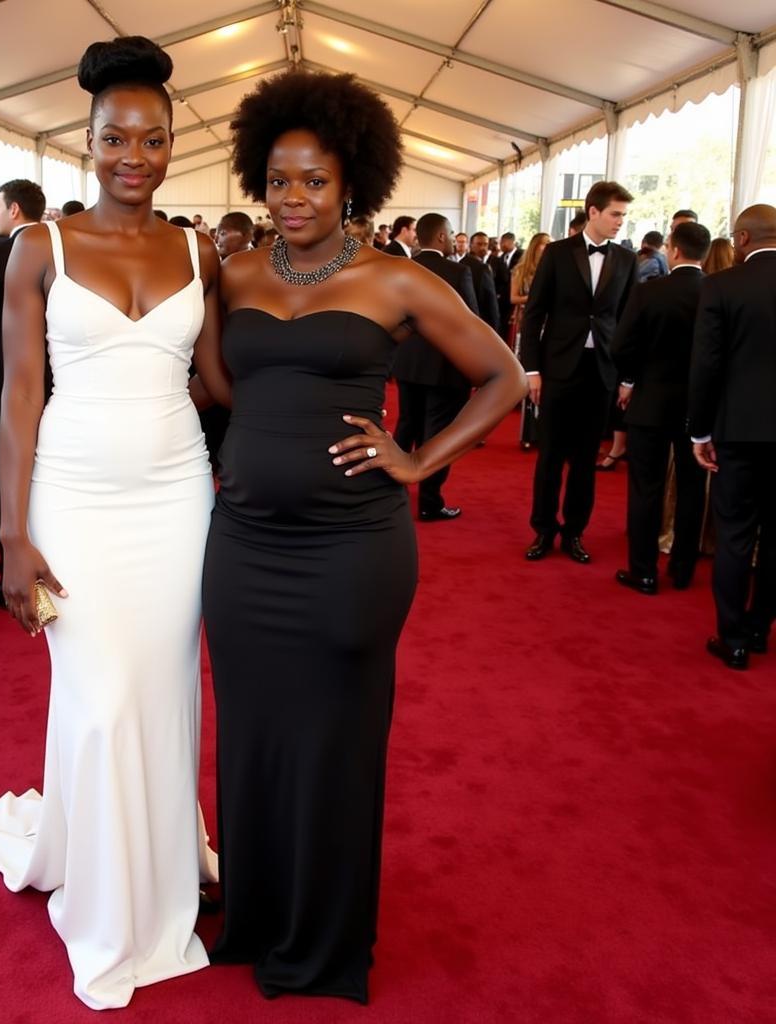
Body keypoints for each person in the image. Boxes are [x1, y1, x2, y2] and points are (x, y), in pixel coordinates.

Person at [203, 69, 526, 1003]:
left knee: (335, 743)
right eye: (276, 180)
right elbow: (223, 388)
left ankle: (325, 938)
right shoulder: (236, 273)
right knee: (254, 737)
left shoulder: (397, 277)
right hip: (245, 546)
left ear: (353, 186)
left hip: (352, 551)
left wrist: (421, 460)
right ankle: (258, 916)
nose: (293, 198)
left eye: (313, 181)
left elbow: (504, 377)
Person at [0, 37, 230, 1011]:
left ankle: (154, 860)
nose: (135, 155)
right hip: (71, 499)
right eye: (116, 136)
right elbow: (17, 399)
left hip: (177, 499)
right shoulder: (43, 247)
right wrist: (14, 537)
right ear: (88, 138)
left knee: (160, 695)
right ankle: (112, 905)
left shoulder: (201, 249)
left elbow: (222, 382)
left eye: (153, 139)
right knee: (102, 694)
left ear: (168, 146)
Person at [521, 181, 638, 564]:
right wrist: (532, 370)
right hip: (557, 369)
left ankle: (574, 532)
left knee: (586, 459)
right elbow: (535, 312)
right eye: (615, 213)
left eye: (623, 215)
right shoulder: (556, 253)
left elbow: (627, 321)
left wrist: (626, 376)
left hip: (601, 370)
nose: (621, 221)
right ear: (593, 212)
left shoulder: (626, 259)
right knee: (550, 455)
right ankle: (543, 530)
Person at [688, 203, 776, 670]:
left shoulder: (721, 285)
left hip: (737, 431)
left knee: (736, 535)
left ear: (742, 239)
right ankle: (762, 627)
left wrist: (699, 430)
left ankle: (734, 637)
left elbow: (706, 365)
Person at [612, 220, 710, 594]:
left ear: (674, 249)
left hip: (651, 402)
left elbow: (621, 346)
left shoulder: (649, 292)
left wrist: (632, 378)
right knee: (691, 489)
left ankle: (644, 571)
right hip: (698, 408)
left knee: (645, 488)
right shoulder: (715, 292)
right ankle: (683, 569)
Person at [0, 178, 47, 608]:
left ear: (14, 209)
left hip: (4, 394)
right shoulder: (62, 251)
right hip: (58, 389)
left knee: (4, 487)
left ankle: (10, 576)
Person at [391, 211, 479, 520]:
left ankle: (390, 489)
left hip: (406, 362)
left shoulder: (401, 269)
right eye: (453, 232)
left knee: (406, 424)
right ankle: (429, 502)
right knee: (437, 434)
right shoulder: (458, 272)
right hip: (444, 365)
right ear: (441, 236)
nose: (455, 238)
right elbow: (470, 323)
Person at [509, 231, 551, 449]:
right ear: (535, 246)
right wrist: (536, 298)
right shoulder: (521, 271)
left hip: (550, 327)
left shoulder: (554, 269)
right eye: (544, 244)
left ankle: (542, 430)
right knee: (527, 376)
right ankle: (527, 432)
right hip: (526, 328)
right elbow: (512, 297)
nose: (547, 247)